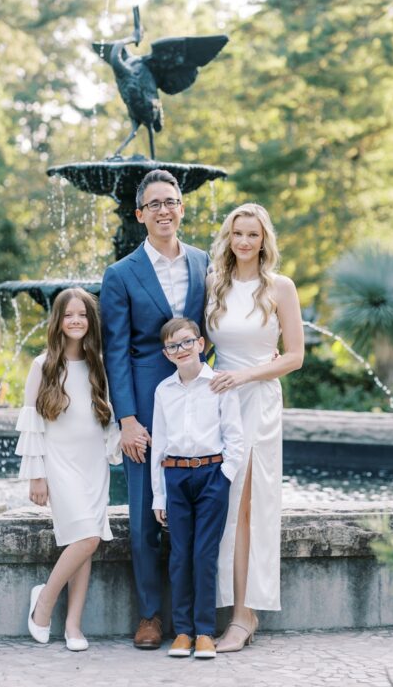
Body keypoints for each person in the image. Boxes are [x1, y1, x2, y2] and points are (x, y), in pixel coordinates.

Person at [100, 169, 210, 648]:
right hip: (144, 403)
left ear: (182, 208)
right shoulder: (121, 274)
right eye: (155, 204)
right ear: (140, 213)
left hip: (200, 400)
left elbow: (217, 326)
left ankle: (195, 615)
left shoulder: (206, 263)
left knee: (197, 506)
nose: (165, 210)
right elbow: (115, 350)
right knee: (145, 512)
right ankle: (149, 615)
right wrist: (127, 419)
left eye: (172, 201)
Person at [203, 203, 304, 652]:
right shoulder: (214, 284)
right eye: (238, 234)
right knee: (223, 504)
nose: (245, 242)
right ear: (228, 237)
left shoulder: (280, 288)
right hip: (218, 403)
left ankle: (244, 617)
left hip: (258, 401)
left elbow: (295, 356)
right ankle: (223, 607)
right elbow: (201, 343)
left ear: (265, 240)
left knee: (248, 505)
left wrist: (245, 376)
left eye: (253, 235)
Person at [17, 287, 121, 651]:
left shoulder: (100, 364)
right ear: (58, 321)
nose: (76, 320)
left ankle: (73, 625)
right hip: (60, 464)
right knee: (87, 537)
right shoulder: (42, 365)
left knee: (86, 539)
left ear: (91, 321)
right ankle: (44, 602)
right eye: (68, 315)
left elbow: (107, 420)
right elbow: (31, 424)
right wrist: (37, 475)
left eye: (83, 315)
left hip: (93, 465)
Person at [151, 317, 245, 659]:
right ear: (166, 353)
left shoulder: (219, 384)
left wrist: (224, 477)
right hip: (175, 477)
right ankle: (183, 632)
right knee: (179, 556)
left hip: (211, 476)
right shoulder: (163, 391)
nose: (182, 349)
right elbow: (159, 445)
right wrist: (158, 495)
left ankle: (205, 631)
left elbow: (235, 436)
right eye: (173, 346)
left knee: (205, 555)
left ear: (201, 344)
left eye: (187, 342)